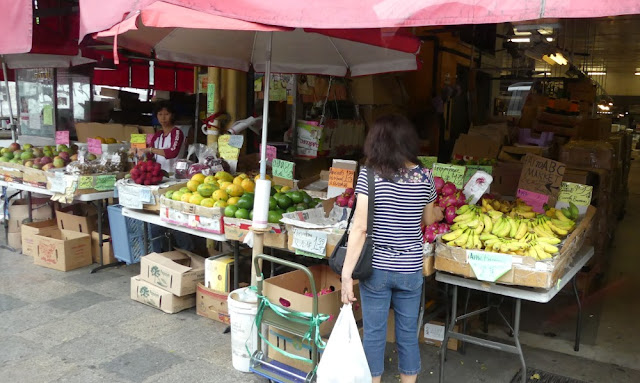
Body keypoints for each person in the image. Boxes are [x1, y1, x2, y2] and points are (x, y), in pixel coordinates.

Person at [340, 115, 443, 383]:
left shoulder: (370, 175)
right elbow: (428, 219)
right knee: (407, 334)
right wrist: (437, 212)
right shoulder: (425, 177)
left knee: (374, 333)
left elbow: (360, 227)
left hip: (377, 269)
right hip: (410, 269)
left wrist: (346, 275)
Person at [138, 101, 185, 173]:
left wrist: (150, 149)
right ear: (156, 116)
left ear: (172, 115)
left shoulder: (177, 132)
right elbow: (149, 156)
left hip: (175, 175)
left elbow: (173, 153)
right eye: (160, 114)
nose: (163, 118)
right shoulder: (158, 135)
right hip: (159, 174)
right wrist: (140, 153)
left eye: (167, 114)